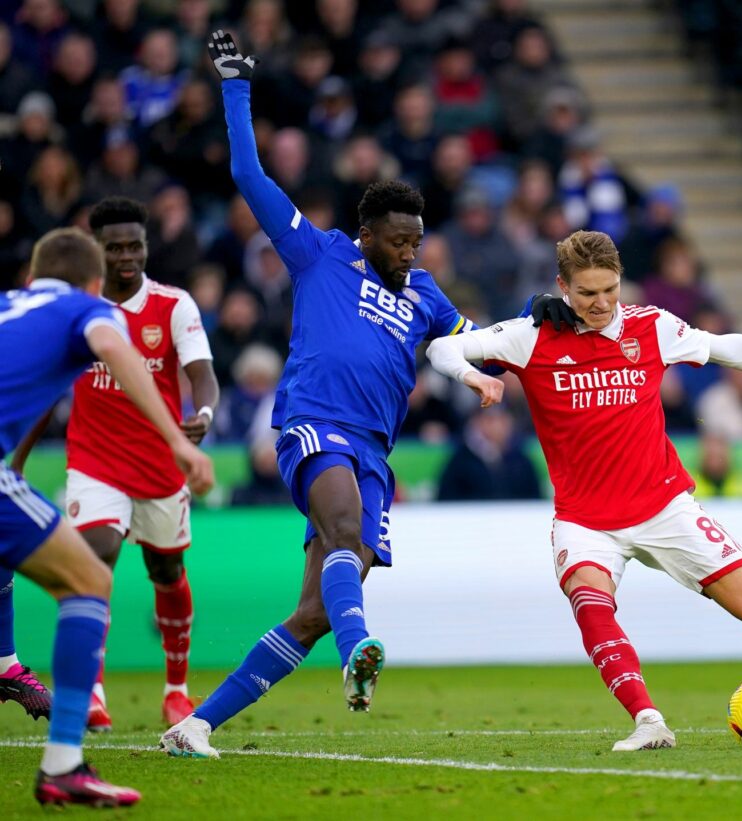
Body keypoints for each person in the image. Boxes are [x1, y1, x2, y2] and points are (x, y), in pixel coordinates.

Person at [161, 32, 571, 759]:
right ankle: (361, 649)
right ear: (366, 233)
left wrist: (529, 329)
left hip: (374, 450)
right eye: (398, 242)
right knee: (345, 531)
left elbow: (467, 339)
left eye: (417, 242)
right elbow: (250, 174)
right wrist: (235, 86)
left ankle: (196, 724)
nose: (410, 254)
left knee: (313, 610)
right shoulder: (319, 253)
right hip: (314, 426)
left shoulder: (423, 290)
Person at [427, 229, 742, 751]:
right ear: (562, 286)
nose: (601, 304)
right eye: (588, 293)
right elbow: (443, 345)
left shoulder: (651, 326)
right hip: (585, 518)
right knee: (591, 603)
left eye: (610, 290)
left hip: (663, 506)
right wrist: (471, 376)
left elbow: (723, 346)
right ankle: (649, 721)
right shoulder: (530, 335)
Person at [0, 226, 212, 806]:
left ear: (29, 278)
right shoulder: (86, 310)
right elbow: (115, 349)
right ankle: (64, 765)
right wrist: (181, 441)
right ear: (95, 282)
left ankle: (5, 659)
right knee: (91, 580)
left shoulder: (8, 305)